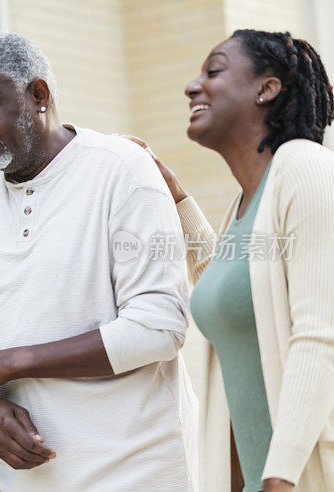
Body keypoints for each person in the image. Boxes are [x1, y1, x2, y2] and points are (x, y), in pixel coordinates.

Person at [0, 32, 198, 491]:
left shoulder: (121, 171)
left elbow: (159, 327)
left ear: (38, 95)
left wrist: (6, 364)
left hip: (140, 473)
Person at [138, 29, 334, 492]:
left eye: (215, 71)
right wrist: (179, 198)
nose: (192, 86)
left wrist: (280, 477)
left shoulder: (306, 168)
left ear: (267, 89)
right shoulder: (247, 203)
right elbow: (233, 297)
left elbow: (320, 336)